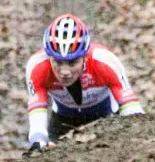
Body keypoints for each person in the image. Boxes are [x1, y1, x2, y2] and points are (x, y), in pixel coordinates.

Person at [25, 14, 144, 151]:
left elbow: (131, 107)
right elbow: (37, 111)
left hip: (107, 116)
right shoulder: (37, 66)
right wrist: (38, 140)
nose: (65, 71)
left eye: (72, 62)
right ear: (49, 56)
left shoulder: (104, 61)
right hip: (63, 120)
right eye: (57, 62)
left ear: (84, 57)